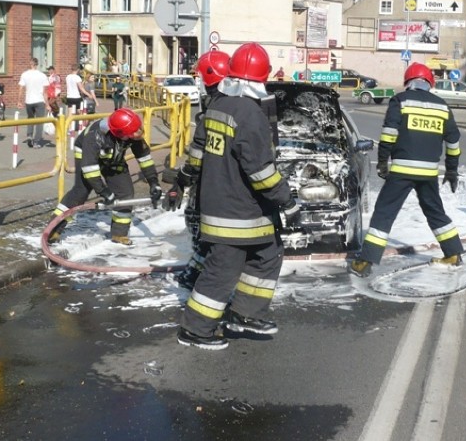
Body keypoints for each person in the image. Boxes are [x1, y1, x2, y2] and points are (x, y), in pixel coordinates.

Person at [177, 42, 299, 351]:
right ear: (262, 77)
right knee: (222, 269)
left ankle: (245, 314)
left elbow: (199, 153)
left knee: (268, 253)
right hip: (236, 209)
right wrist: (286, 199)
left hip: (232, 203)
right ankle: (195, 329)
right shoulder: (250, 114)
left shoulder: (218, 107)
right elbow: (261, 171)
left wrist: (184, 180)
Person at [349, 63, 464, 278]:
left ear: (409, 82)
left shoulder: (400, 101)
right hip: (429, 174)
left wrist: (383, 161)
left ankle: (365, 262)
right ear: (430, 83)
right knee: (435, 212)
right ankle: (453, 253)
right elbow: (453, 141)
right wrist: (451, 171)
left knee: (384, 214)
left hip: (402, 171)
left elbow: (389, 133)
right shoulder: (442, 106)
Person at [48, 108, 163, 246]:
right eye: (132, 135)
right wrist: (104, 192)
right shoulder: (94, 137)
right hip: (87, 153)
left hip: (113, 156)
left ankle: (119, 234)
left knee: (125, 192)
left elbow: (145, 159)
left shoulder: (130, 132)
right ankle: (53, 229)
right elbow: (90, 170)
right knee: (81, 190)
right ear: (120, 133)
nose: (136, 136)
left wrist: (154, 183)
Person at [168, 49, 232, 290]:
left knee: (205, 234)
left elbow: (198, 155)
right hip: (230, 188)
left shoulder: (211, 113)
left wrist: (183, 179)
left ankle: (193, 277)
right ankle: (197, 275)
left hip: (212, 188)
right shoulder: (243, 106)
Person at [18, 58, 50, 149]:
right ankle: (36, 142)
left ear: (30, 64)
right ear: (37, 64)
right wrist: (47, 105)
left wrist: (19, 101)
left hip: (29, 101)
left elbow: (21, 89)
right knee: (40, 121)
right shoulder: (42, 76)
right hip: (39, 100)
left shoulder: (24, 74)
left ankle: (29, 135)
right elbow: (45, 92)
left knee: (30, 119)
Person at [64, 64, 97, 128]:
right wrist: (89, 94)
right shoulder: (77, 77)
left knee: (70, 114)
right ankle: (85, 126)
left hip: (69, 97)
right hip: (76, 97)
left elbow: (66, 86)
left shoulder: (67, 77)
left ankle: (68, 128)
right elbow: (81, 89)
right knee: (82, 113)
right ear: (78, 70)